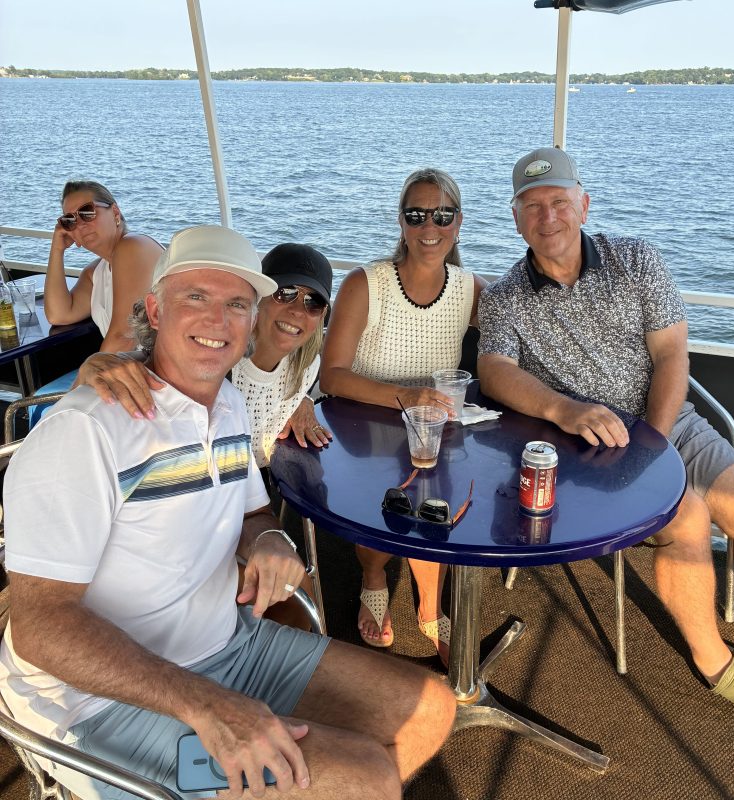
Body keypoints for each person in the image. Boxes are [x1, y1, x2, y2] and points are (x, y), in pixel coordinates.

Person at [0, 225, 456, 800]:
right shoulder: (88, 429)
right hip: (96, 703)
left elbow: (253, 515)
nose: (218, 320)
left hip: (228, 645)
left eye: (237, 304)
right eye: (196, 297)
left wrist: (272, 542)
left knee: (429, 710)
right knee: (362, 775)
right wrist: (205, 704)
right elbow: (42, 627)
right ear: (154, 310)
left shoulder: (231, 404)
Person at [477, 146, 734, 726]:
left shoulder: (637, 261)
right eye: (531, 205)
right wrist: (563, 409)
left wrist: (653, 436)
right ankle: (714, 661)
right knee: (688, 521)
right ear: (516, 216)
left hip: (667, 421)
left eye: (558, 201)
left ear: (583, 205)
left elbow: (673, 351)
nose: (546, 215)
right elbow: (495, 371)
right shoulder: (504, 297)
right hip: (587, 449)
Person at [319, 167, 486, 665]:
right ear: (401, 222)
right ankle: (374, 575)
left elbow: (517, 334)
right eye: (417, 214)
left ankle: (430, 603)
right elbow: (332, 377)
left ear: (458, 223)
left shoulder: (470, 288)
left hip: (433, 425)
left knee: (436, 502)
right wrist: (405, 396)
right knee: (389, 503)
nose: (429, 226)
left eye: (442, 214)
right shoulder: (364, 284)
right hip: (364, 424)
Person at [77, 242, 335, 466]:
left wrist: (303, 399)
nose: (298, 311)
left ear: (322, 315)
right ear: (258, 301)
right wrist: (100, 362)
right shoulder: (219, 355)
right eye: (285, 293)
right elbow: (162, 365)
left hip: (255, 477)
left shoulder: (307, 366)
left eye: (314, 302)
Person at [44, 180, 164, 354]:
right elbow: (59, 314)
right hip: (131, 369)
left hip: (166, 374)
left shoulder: (135, 246)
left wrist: (88, 377)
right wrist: (57, 249)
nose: (81, 224)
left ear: (115, 212)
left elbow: (124, 337)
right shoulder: (95, 273)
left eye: (87, 211)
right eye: (69, 220)